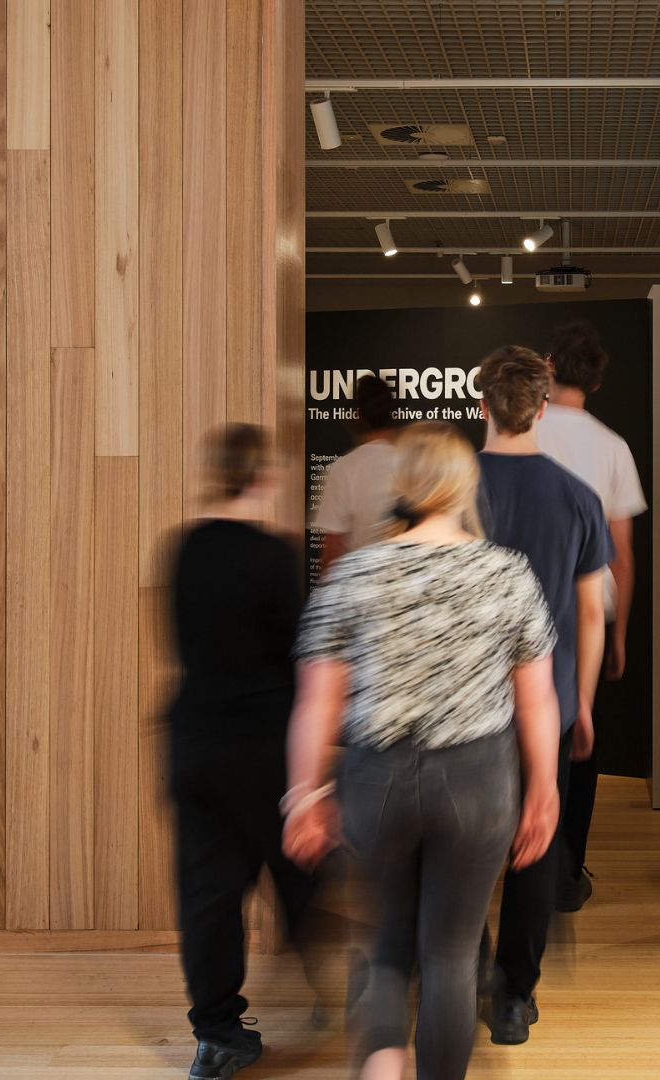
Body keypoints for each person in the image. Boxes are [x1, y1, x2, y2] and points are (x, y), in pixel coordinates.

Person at [282, 422, 563, 1080]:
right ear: (465, 486)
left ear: (401, 486)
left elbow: (317, 702)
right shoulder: (505, 572)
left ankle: (382, 1067)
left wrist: (304, 793)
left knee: (385, 948)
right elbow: (537, 700)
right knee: (450, 956)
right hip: (478, 779)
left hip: (377, 776)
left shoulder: (355, 572)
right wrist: (543, 789)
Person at [165, 425, 319, 1080]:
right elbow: (299, 651)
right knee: (303, 873)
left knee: (207, 893)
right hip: (261, 745)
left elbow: (180, 642)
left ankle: (218, 1034)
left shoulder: (184, 549)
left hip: (194, 741)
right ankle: (348, 990)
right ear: (260, 477)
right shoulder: (272, 556)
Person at [473, 345, 612, 1044]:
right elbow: (592, 613)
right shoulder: (577, 497)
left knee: (463, 845)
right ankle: (514, 998)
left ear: (482, 406)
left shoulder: (448, 491)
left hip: (461, 706)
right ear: (543, 407)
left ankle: (466, 966)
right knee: (534, 846)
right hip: (548, 702)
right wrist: (582, 701)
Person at [535, 321, 647, 913]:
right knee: (580, 740)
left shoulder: (516, 432)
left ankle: (519, 856)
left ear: (548, 366)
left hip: (518, 610)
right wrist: (620, 630)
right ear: (598, 381)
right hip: (587, 614)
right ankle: (565, 871)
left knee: (515, 735)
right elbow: (622, 556)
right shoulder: (612, 447)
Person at [312, 374, 400, 566]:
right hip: (407, 585)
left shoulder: (343, 469)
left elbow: (332, 551)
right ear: (393, 414)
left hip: (360, 584)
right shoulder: (412, 464)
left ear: (356, 415)